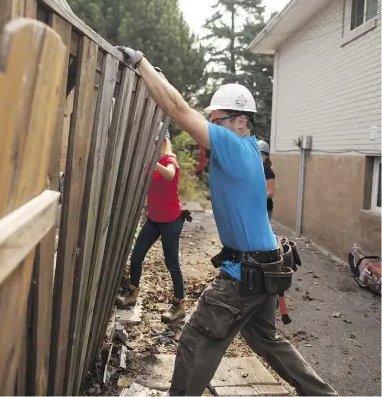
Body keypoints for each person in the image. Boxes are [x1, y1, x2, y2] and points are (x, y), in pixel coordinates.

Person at [116, 46, 338, 396]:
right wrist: (156, 78)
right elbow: (178, 105)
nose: (210, 129)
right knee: (266, 339)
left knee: (195, 340)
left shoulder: (233, 146)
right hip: (267, 266)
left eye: (216, 121)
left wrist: (140, 62)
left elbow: (177, 108)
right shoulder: (248, 150)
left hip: (245, 272)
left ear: (239, 121)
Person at [117, 129, 187, 324]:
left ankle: (179, 304)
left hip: (172, 220)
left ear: (164, 142)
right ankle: (132, 292)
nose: (154, 146)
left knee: (172, 263)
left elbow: (170, 176)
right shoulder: (151, 162)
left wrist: (153, 162)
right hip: (154, 219)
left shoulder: (169, 159)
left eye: (157, 142)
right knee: (137, 255)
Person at [257, 140, 275, 220]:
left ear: (266, 156)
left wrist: (256, 197)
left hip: (264, 209)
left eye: (260, 154)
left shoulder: (266, 170)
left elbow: (270, 192)